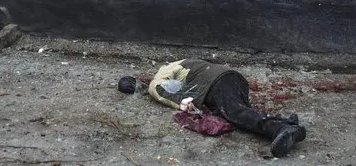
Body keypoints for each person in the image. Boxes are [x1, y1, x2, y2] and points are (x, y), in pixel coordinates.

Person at [119, 59, 306, 158]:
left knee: (236, 113)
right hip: (229, 80)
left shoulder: (162, 73)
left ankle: (280, 129)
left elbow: (157, 90)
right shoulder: (182, 66)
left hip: (217, 82)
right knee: (239, 116)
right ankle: (286, 122)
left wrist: (182, 104)